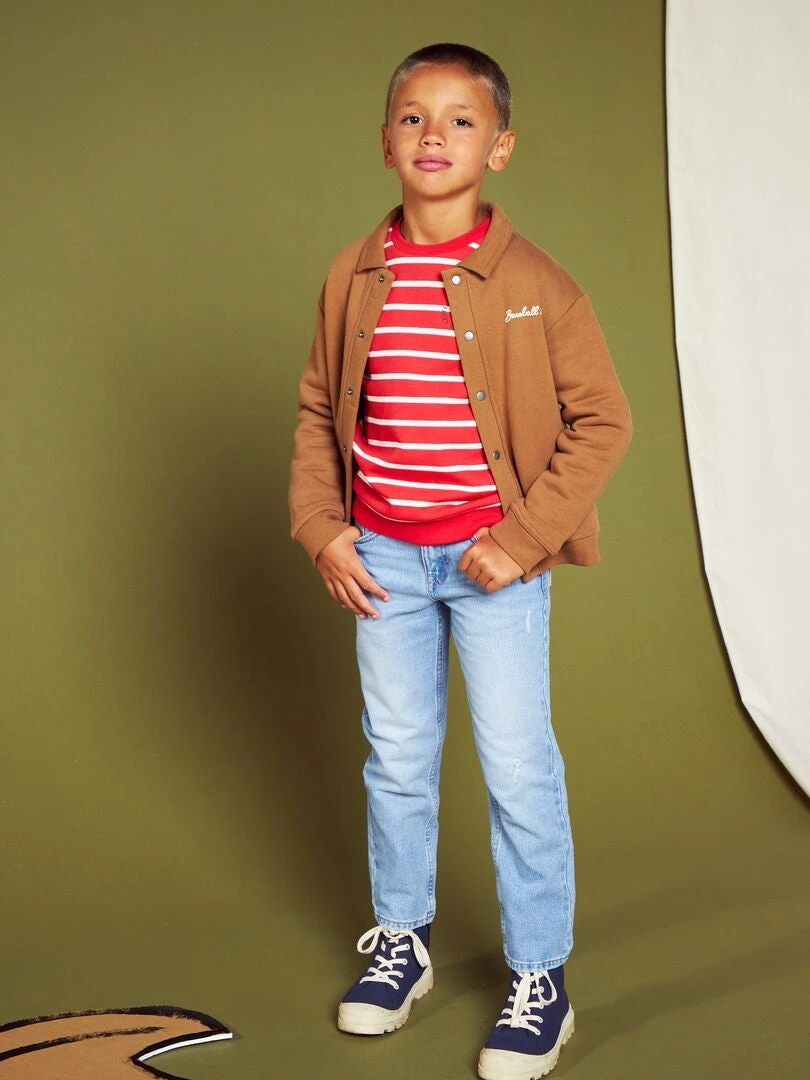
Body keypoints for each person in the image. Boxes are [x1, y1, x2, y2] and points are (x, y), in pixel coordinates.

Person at [289, 42, 631, 1080]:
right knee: (397, 758)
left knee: (518, 767)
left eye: (461, 120)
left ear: (501, 147)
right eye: (413, 117)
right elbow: (318, 407)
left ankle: (540, 978)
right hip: (382, 559)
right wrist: (322, 527)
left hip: (496, 570)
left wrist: (519, 542)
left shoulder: (537, 283)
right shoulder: (353, 274)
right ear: (385, 140)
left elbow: (604, 422)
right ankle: (402, 941)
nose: (434, 136)